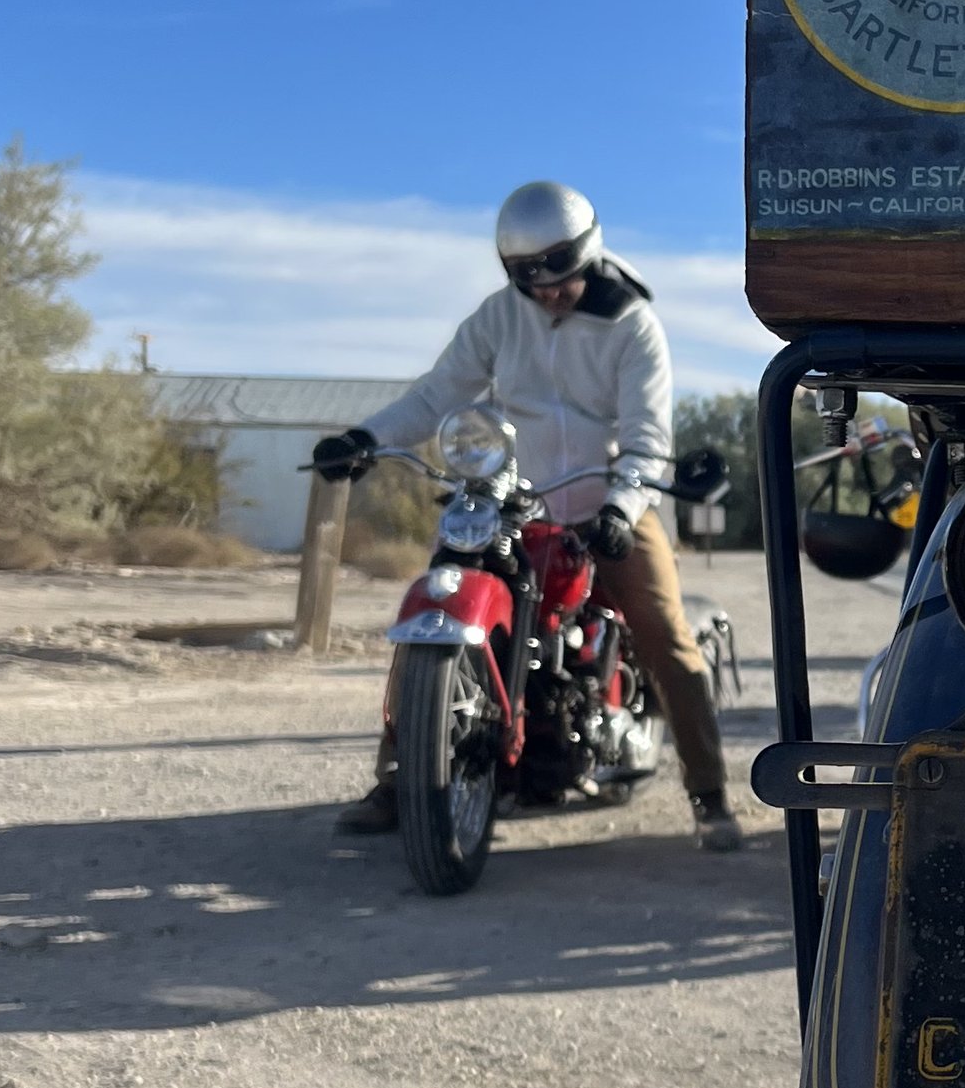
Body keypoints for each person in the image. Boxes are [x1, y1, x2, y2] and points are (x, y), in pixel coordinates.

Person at [315, 182, 742, 851]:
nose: (546, 292)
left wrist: (622, 507)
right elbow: (436, 395)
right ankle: (402, 775)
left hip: (607, 503)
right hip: (512, 501)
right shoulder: (498, 316)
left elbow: (646, 439)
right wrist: (364, 439)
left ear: (588, 252)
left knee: (666, 635)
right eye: (529, 279)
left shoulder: (633, 325)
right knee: (436, 601)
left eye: (559, 275)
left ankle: (709, 795)